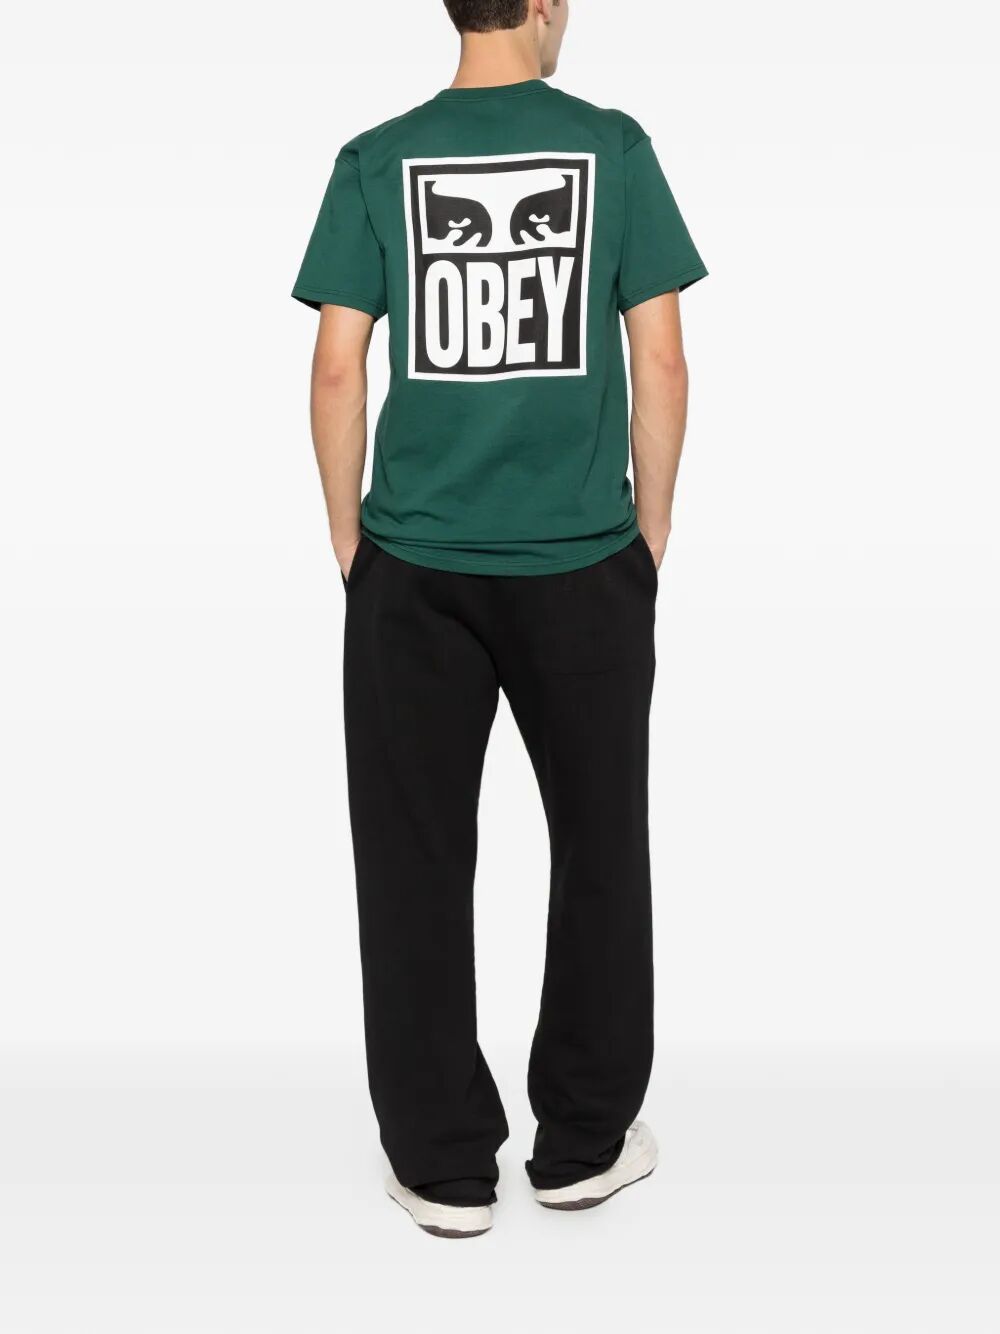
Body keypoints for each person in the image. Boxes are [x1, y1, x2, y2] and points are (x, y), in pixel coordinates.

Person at [292, 0, 706, 1239]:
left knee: (412, 857)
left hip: (413, 568)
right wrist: (648, 533)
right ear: (539, 2)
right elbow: (662, 358)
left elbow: (335, 363)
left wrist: (350, 539)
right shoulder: (611, 147)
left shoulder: (376, 158)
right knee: (600, 846)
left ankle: (440, 1163)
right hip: (582, 562)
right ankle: (583, 1140)